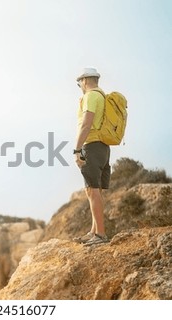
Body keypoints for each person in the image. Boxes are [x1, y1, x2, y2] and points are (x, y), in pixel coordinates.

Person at [73, 67, 110, 246]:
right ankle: (94, 231)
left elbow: (86, 124)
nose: (79, 85)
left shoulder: (90, 96)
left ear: (85, 80)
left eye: (79, 82)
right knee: (93, 190)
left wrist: (77, 150)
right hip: (103, 147)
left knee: (92, 190)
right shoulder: (102, 95)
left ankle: (100, 235)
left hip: (92, 146)